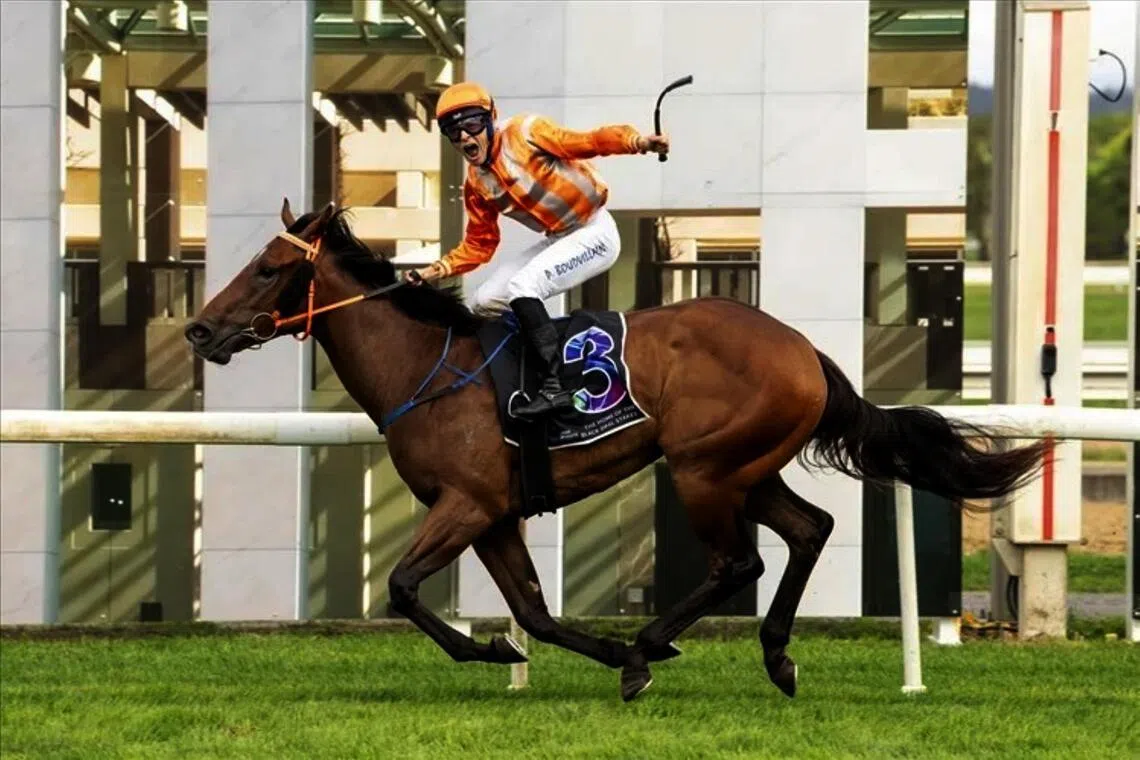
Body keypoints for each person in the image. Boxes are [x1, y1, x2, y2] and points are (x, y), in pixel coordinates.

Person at [405, 81, 669, 418]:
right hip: (560, 236)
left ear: (489, 119)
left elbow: (588, 142)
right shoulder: (476, 182)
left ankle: (557, 385)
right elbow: (479, 245)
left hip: (596, 231)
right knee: (483, 302)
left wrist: (638, 142)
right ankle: (525, 374)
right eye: (454, 133)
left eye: (471, 126)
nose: (465, 139)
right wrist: (432, 271)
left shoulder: (525, 132)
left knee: (523, 286)